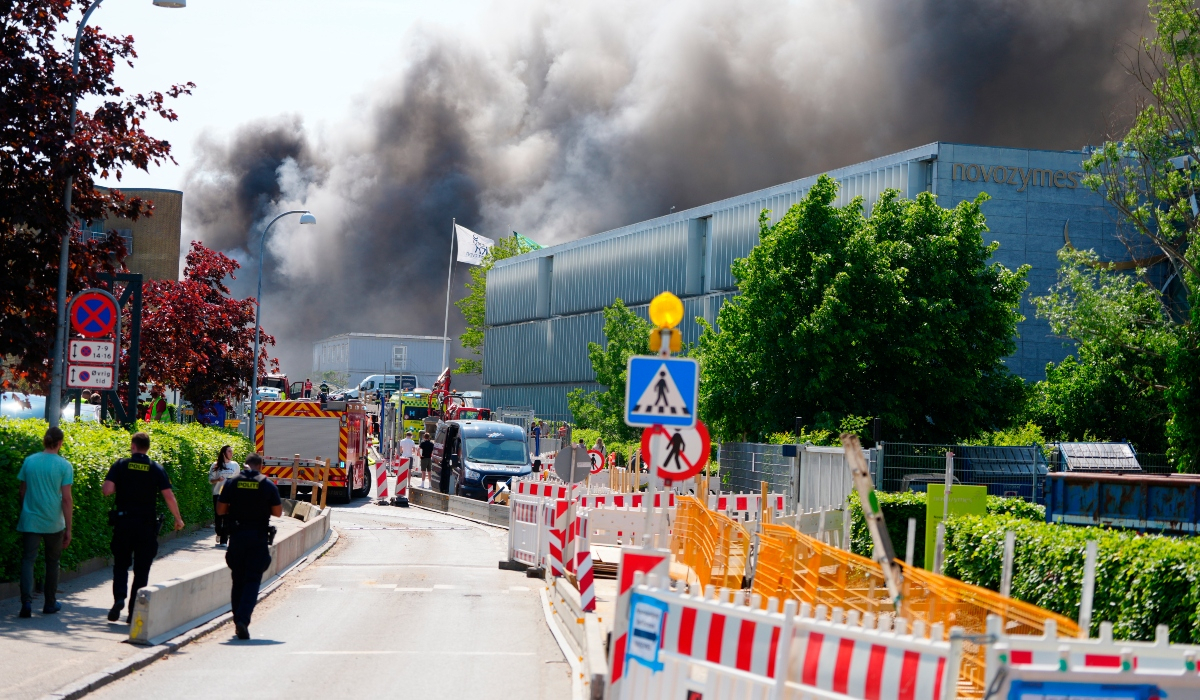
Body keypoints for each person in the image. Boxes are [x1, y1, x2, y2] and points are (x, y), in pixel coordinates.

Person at [103, 431, 184, 623]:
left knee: (121, 564)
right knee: (142, 570)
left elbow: (107, 490)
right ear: (147, 448)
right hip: (146, 526)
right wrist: (178, 519)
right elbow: (169, 496)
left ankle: (119, 598)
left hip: (123, 523)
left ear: (133, 446)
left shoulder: (121, 465)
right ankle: (132, 613)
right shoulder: (155, 468)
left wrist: (121, 486)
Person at [217, 453, 282, 640]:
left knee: (237, 580)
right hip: (258, 537)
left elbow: (220, 510)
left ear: (245, 465)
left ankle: (238, 618)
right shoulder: (267, 484)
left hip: (237, 537)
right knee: (252, 580)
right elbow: (277, 512)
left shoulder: (232, 482)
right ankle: (243, 620)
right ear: (260, 466)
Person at [16, 427, 73, 618]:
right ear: (60, 443)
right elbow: (66, 499)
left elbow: (22, 491)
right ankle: (49, 603)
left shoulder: (29, 461)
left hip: (30, 518)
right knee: (52, 561)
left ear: (44, 441)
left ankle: (26, 602)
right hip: (53, 521)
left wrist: (26, 509)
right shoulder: (64, 465)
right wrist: (69, 528)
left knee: (28, 560)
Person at [208, 446, 239, 547]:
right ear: (223, 453)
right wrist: (218, 480)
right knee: (218, 518)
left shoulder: (235, 465)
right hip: (218, 494)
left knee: (227, 518)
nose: (231, 453)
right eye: (229, 451)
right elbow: (210, 480)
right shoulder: (215, 465)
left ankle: (224, 541)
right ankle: (219, 532)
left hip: (230, 495)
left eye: (232, 451)